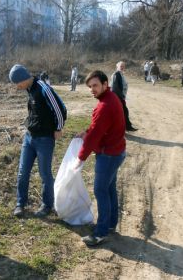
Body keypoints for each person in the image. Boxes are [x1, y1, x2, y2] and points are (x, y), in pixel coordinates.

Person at [74, 70, 126, 246]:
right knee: (109, 189)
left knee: (100, 190)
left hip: (109, 155)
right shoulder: (110, 98)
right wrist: (86, 132)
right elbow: (99, 127)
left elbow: (95, 135)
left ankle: (101, 232)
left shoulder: (105, 105)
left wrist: (80, 158)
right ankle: (110, 224)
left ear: (105, 84)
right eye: (90, 87)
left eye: (95, 85)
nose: (92, 89)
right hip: (116, 152)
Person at [9, 64, 67, 218]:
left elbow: (60, 108)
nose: (17, 87)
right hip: (29, 137)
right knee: (22, 172)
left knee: (45, 174)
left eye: (17, 83)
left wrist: (58, 128)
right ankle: (20, 204)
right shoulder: (29, 89)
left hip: (44, 139)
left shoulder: (43, 88)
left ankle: (47, 205)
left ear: (23, 78)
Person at [110, 61, 137, 131]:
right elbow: (115, 87)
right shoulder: (116, 74)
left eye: (123, 66)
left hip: (120, 96)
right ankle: (125, 127)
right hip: (117, 97)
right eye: (121, 66)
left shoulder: (120, 74)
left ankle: (126, 127)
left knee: (123, 111)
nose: (122, 67)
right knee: (123, 112)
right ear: (117, 67)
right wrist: (120, 96)